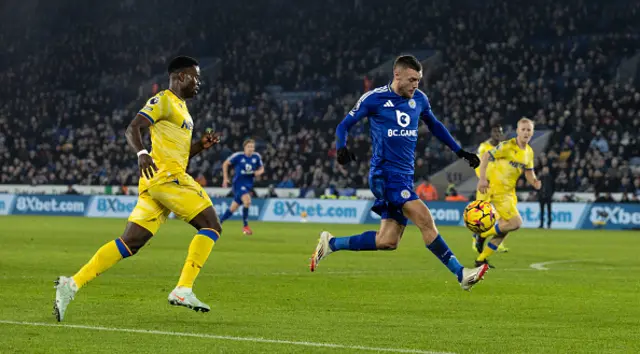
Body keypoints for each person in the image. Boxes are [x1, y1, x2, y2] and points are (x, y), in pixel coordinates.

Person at [54, 56, 222, 321]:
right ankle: (183, 288)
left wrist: (201, 145)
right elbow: (133, 127)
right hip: (167, 178)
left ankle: (71, 284)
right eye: (195, 77)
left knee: (130, 242)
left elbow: (178, 154)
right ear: (180, 77)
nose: (198, 82)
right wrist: (141, 152)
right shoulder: (164, 100)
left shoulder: (182, 110)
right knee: (212, 225)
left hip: (159, 181)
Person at [309, 55, 489, 291]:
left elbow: (435, 125)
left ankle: (331, 243)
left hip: (404, 177)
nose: (416, 85)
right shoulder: (374, 98)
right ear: (397, 75)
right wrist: (341, 147)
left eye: (419, 80)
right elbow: (343, 125)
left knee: (388, 241)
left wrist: (460, 151)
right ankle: (461, 274)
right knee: (424, 218)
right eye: (412, 79)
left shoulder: (420, 100)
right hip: (384, 175)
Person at [474, 118, 542, 268]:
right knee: (515, 223)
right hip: (498, 191)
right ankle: (482, 235)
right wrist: (482, 179)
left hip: (510, 193)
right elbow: (485, 156)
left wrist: (535, 181)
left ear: (532, 133)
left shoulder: (529, 152)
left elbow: (529, 172)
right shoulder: (506, 146)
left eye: (528, 130)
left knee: (505, 229)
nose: (526, 132)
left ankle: (481, 259)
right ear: (517, 131)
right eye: (523, 129)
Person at [472, 124, 509, 253]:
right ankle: (475, 240)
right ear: (491, 133)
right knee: (480, 214)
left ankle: (498, 243)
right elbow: (477, 164)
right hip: (485, 186)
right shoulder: (484, 147)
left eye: (500, 132)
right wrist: (482, 179)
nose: (497, 134)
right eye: (495, 132)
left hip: (499, 186)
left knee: (503, 215)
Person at [220, 139, 264, 235]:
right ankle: (245, 226)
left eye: (252, 147)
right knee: (247, 201)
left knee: (233, 208)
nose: (251, 149)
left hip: (248, 185)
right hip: (238, 184)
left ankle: (218, 223)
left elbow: (262, 168)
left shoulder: (256, 157)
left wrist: (258, 172)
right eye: (249, 147)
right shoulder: (238, 156)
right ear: (244, 148)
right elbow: (225, 164)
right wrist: (225, 178)